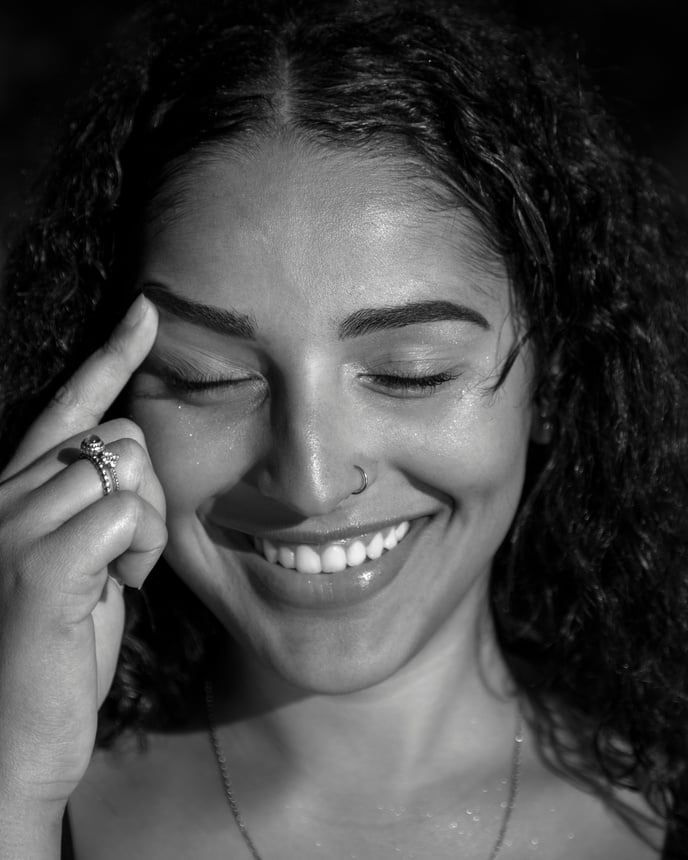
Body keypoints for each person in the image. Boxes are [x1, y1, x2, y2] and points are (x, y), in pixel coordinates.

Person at [1, 0, 686, 857]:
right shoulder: (32, 792)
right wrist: (17, 781)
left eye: (412, 374)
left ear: (552, 381)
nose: (312, 481)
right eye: (204, 378)